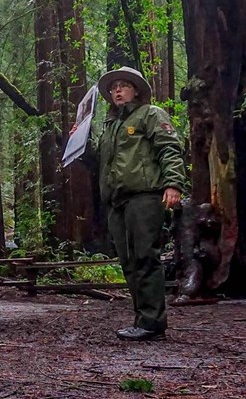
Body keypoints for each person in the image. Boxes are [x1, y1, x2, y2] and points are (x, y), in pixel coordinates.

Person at [75, 66, 187, 342]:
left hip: (145, 196)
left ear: (135, 90)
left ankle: (152, 322)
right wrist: (79, 142)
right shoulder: (111, 126)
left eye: (123, 85)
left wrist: (173, 183)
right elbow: (99, 162)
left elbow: (169, 148)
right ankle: (143, 319)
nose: (117, 90)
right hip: (117, 201)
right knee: (128, 260)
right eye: (114, 88)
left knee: (145, 256)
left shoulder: (150, 114)